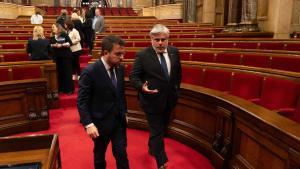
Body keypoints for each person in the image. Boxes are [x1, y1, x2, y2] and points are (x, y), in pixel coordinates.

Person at [129, 24, 182, 169]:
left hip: (169, 100)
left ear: (168, 39)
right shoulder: (142, 55)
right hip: (151, 100)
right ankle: (161, 162)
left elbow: (177, 75)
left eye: (163, 39)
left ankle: (152, 147)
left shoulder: (174, 52)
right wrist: (142, 87)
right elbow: (133, 77)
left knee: (161, 128)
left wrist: (176, 92)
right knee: (157, 130)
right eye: (157, 39)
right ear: (151, 39)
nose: (160, 43)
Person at [77, 35, 130, 169]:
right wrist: (88, 124)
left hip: (118, 121)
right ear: (105, 52)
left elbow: (120, 93)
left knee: (121, 154)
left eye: (123, 54)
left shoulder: (120, 68)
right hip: (99, 123)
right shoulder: (90, 72)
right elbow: (82, 101)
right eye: (118, 54)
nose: (121, 57)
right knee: (99, 156)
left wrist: (124, 112)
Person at [50, 22, 74, 95]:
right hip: (57, 57)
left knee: (67, 73)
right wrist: (53, 45)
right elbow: (49, 44)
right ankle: (61, 89)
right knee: (60, 73)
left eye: (53, 27)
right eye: (52, 27)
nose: (52, 28)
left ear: (58, 28)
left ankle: (69, 89)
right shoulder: (52, 36)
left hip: (66, 56)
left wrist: (62, 45)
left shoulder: (63, 34)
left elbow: (70, 43)